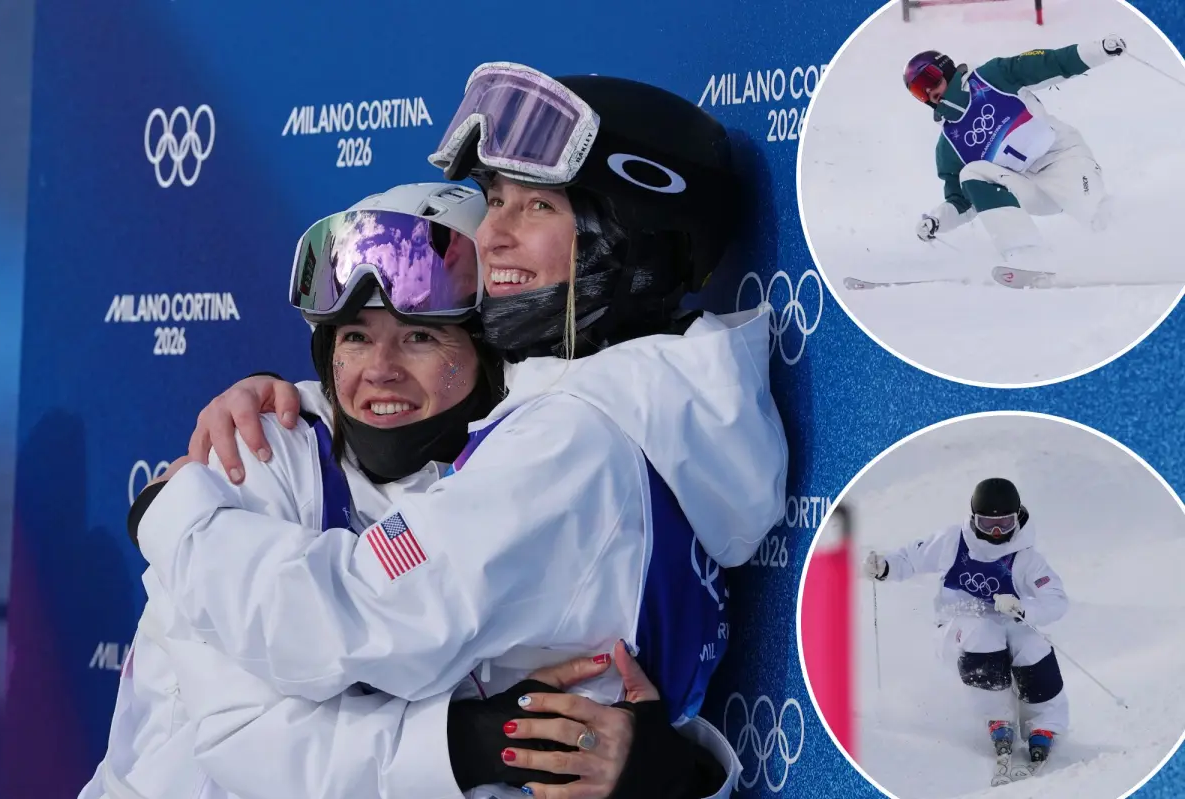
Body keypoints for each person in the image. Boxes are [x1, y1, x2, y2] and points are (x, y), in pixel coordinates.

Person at [135, 63, 786, 795]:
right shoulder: (662, 416)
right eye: (495, 200)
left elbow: (354, 617)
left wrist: (174, 517)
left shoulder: (572, 440)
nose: (495, 237)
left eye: (536, 208)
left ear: (628, 232)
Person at [862, 477, 1069, 771]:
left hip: (1008, 623)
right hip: (956, 628)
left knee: (1032, 643)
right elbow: (911, 558)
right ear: (974, 519)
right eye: (987, 524)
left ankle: (1044, 723)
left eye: (1005, 523)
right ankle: (996, 716)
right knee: (983, 633)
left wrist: (1024, 608)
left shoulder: (1026, 557)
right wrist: (886, 567)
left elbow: (1056, 599)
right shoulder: (954, 541)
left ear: (1018, 517)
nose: (996, 532)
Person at [905, 38, 1127, 267]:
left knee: (1099, 219)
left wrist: (1099, 50)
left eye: (928, 79)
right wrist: (936, 220)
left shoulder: (991, 77)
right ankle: (1027, 256)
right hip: (1030, 187)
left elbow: (1051, 63)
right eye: (919, 91)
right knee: (971, 173)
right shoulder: (949, 145)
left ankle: (1140, 251)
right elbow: (962, 200)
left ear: (945, 68)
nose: (929, 91)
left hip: (1064, 159)